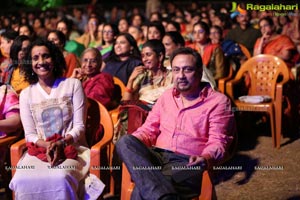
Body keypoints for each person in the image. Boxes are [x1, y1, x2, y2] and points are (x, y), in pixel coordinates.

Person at [116, 47, 235, 199]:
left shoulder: (218, 101)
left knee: (141, 191)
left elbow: (219, 142)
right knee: (125, 142)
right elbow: (148, 130)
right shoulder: (167, 96)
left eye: (187, 70)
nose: (181, 76)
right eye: (176, 70)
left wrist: (206, 157)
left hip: (187, 163)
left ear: (199, 72)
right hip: (158, 157)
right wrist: (134, 146)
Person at [9, 39, 100, 199]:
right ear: (30, 63)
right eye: (36, 58)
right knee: (22, 179)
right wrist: (47, 145)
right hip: (40, 151)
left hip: (72, 149)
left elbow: (79, 127)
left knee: (60, 177)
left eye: (46, 56)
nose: (41, 62)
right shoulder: (26, 94)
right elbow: (30, 134)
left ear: (55, 59)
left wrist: (61, 143)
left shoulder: (72, 85)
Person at [122, 39, 173, 106]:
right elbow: (125, 103)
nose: (144, 59)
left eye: (148, 55)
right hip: (142, 113)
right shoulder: (142, 75)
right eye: (143, 56)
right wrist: (130, 80)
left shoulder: (172, 75)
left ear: (160, 56)